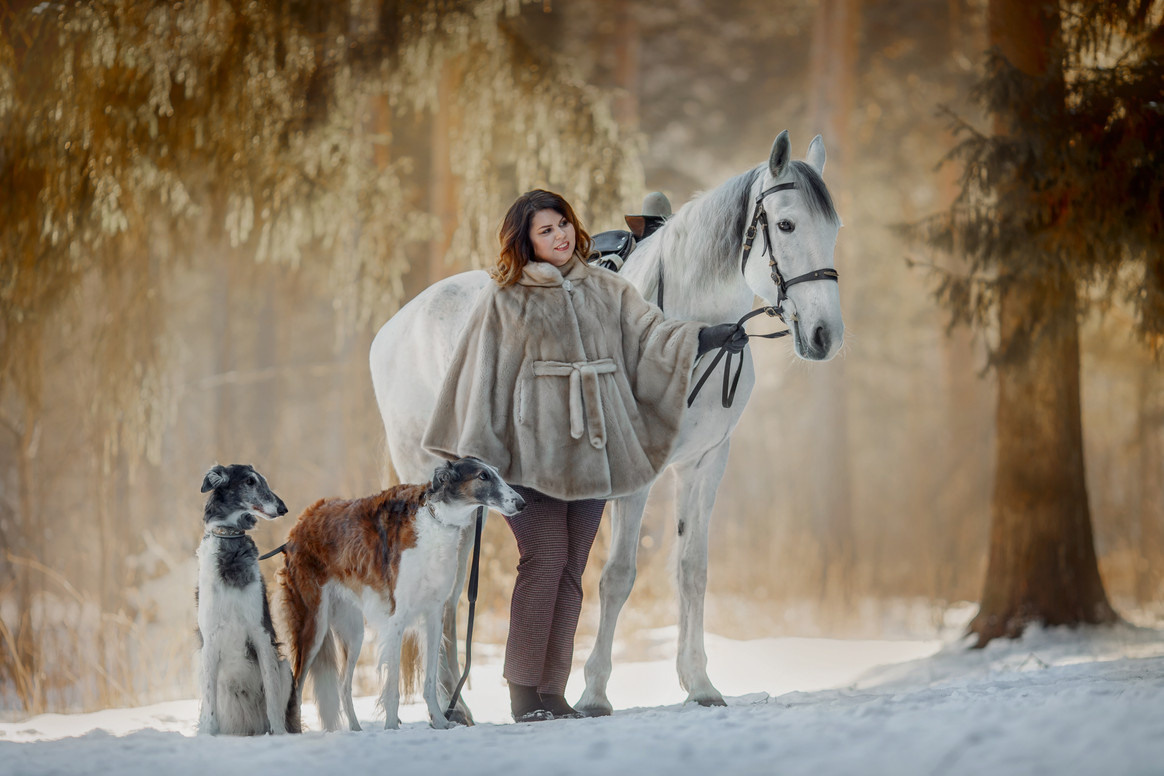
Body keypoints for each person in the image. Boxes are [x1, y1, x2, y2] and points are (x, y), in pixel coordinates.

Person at [424, 189, 746, 722]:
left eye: (563, 225)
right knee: (543, 563)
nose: (559, 237)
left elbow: (652, 336)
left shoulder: (607, 289)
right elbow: (483, 378)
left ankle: (554, 692)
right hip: (535, 454)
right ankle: (524, 695)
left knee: (572, 570)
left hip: (595, 452)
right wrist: (478, 456)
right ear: (525, 242)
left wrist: (709, 336)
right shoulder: (507, 298)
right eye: (544, 231)